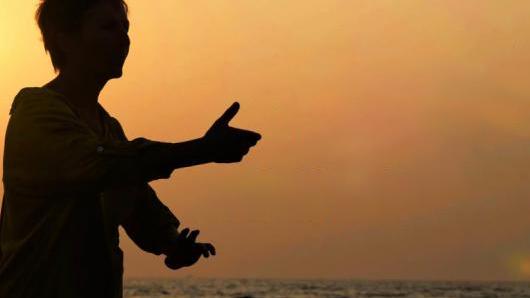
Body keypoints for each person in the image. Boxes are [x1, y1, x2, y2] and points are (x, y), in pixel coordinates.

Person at [0, 0, 262, 297]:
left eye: (125, 28)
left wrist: (173, 244)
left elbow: (138, 203)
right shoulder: (37, 112)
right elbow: (104, 167)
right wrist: (202, 150)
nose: (124, 38)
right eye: (108, 27)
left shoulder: (109, 129)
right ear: (65, 39)